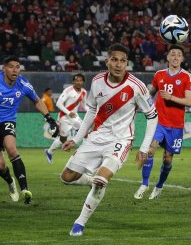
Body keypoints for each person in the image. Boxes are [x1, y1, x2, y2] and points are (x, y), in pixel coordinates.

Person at [61, 43, 158, 236]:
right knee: (66, 177)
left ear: (127, 63)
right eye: (114, 60)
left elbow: (152, 116)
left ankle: (79, 223)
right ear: (107, 61)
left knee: (101, 180)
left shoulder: (136, 86)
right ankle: (91, 180)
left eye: (123, 61)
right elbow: (91, 111)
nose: (118, 64)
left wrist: (144, 148)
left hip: (120, 140)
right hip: (96, 137)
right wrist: (77, 138)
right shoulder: (97, 81)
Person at [0, 56, 59, 204]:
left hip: (8, 121)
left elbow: (37, 101)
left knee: (12, 149)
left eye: (17, 67)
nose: (15, 70)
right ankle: (10, 182)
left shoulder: (24, 84)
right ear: (4, 69)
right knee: (0, 165)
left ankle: (25, 189)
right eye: (11, 67)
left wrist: (50, 119)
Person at [134, 44, 191, 200]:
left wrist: (171, 97)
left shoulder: (187, 77)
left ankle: (159, 186)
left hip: (176, 125)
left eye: (178, 55)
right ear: (167, 57)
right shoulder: (159, 74)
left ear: (182, 58)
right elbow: (150, 94)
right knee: (150, 150)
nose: (175, 57)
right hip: (158, 121)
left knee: (167, 159)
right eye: (172, 54)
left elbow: (189, 101)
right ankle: (145, 184)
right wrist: (138, 103)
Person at [45, 74, 87, 164]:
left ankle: (85, 154)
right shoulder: (68, 91)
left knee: (85, 132)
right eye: (77, 80)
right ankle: (49, 152)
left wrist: (91, 112)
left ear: (83, 82)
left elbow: (84, 106)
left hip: (75, 117)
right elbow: (59, 104)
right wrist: (68, 112)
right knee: (62, 139)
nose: (78, 82)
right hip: (64, 117)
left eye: (80, 80)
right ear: (73, 82)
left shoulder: (84, 92)